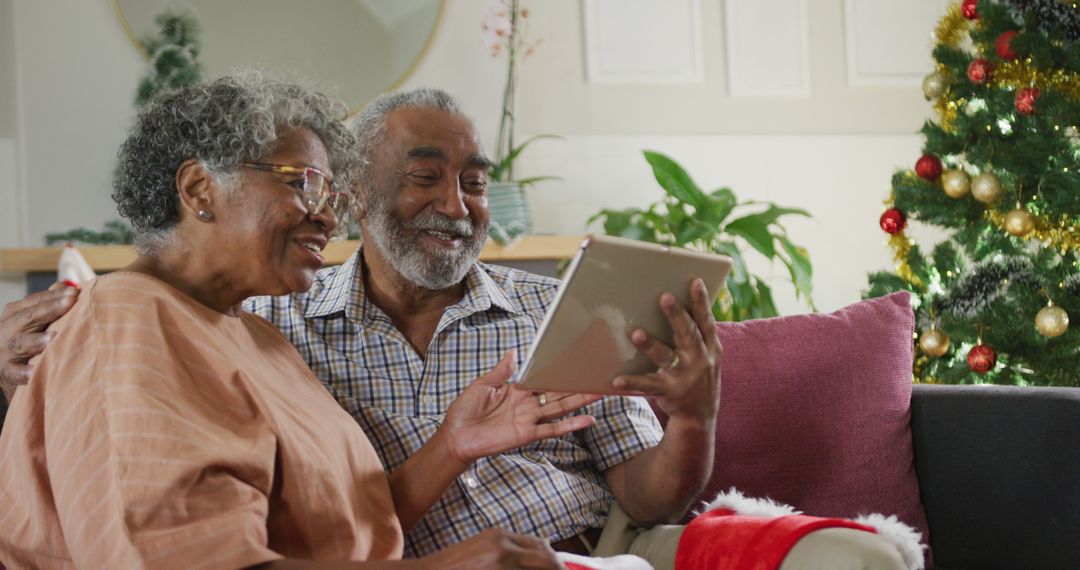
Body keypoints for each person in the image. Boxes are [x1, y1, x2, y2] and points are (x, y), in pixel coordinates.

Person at [0, 87, 908, 569]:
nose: (458, 202)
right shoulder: (251, 321)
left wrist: (696, 411)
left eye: (474, 179)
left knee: (852, 562)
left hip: (609, 548)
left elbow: (646, 498)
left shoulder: (555, 304)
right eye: (425, 175)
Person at [0, 75, 600, 569]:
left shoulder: (253, 334)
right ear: (198, 188)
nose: (329, 221)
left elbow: (334, 531)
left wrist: (453, 445)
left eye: (334, 197)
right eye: (305, 184)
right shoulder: (126, 325)